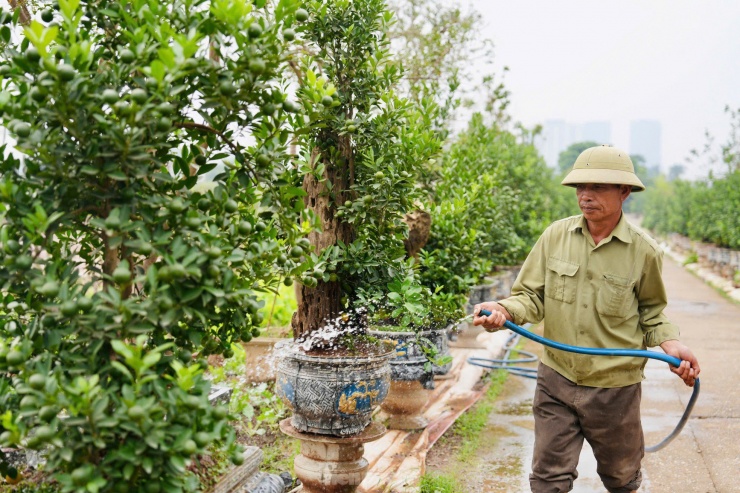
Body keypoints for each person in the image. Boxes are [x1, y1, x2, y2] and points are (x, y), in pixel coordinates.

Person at [472, 145, 700, 493]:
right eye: (581, 187)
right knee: (548, 481)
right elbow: (531, 296)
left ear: (624, 192)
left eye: (598, 187)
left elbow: (651, 312)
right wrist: (504, 310)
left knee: (622, 479)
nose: (586, 196)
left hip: (615, 390)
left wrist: (673, 346)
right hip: (557, 379)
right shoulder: (555, 236)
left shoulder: (644, 251)